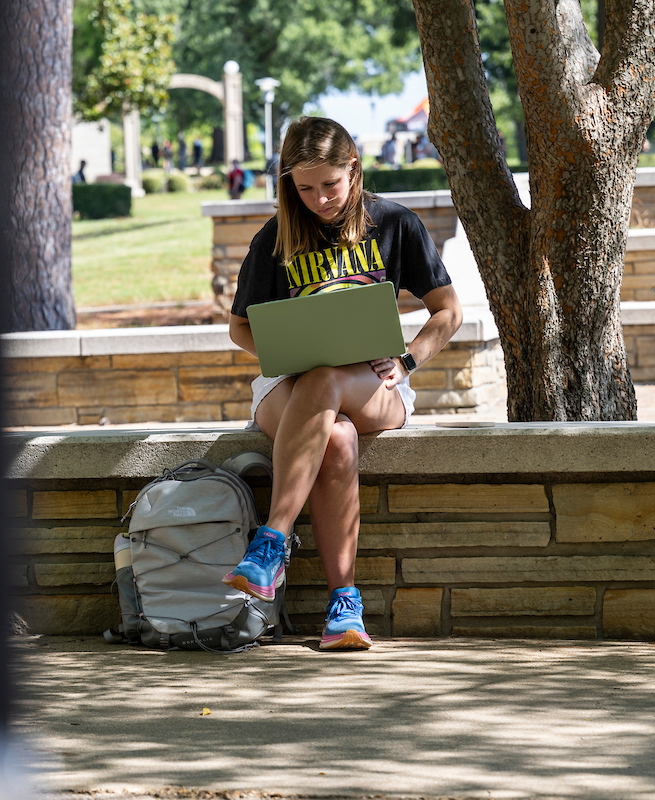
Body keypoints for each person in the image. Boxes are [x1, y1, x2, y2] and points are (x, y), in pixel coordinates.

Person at [223, 117, 462, 650]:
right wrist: (286, 347)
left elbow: (447, 311)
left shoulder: (394, 223)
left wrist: (408, 360)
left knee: (329, 377)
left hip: (374, 383)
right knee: (336, 436)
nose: (319, 199)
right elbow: (239, 327)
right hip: (289, 382)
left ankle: (272, 543)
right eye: (304, 188)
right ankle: (343, 606)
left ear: (354, 169)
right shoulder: (276, 237)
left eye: (330, 184)